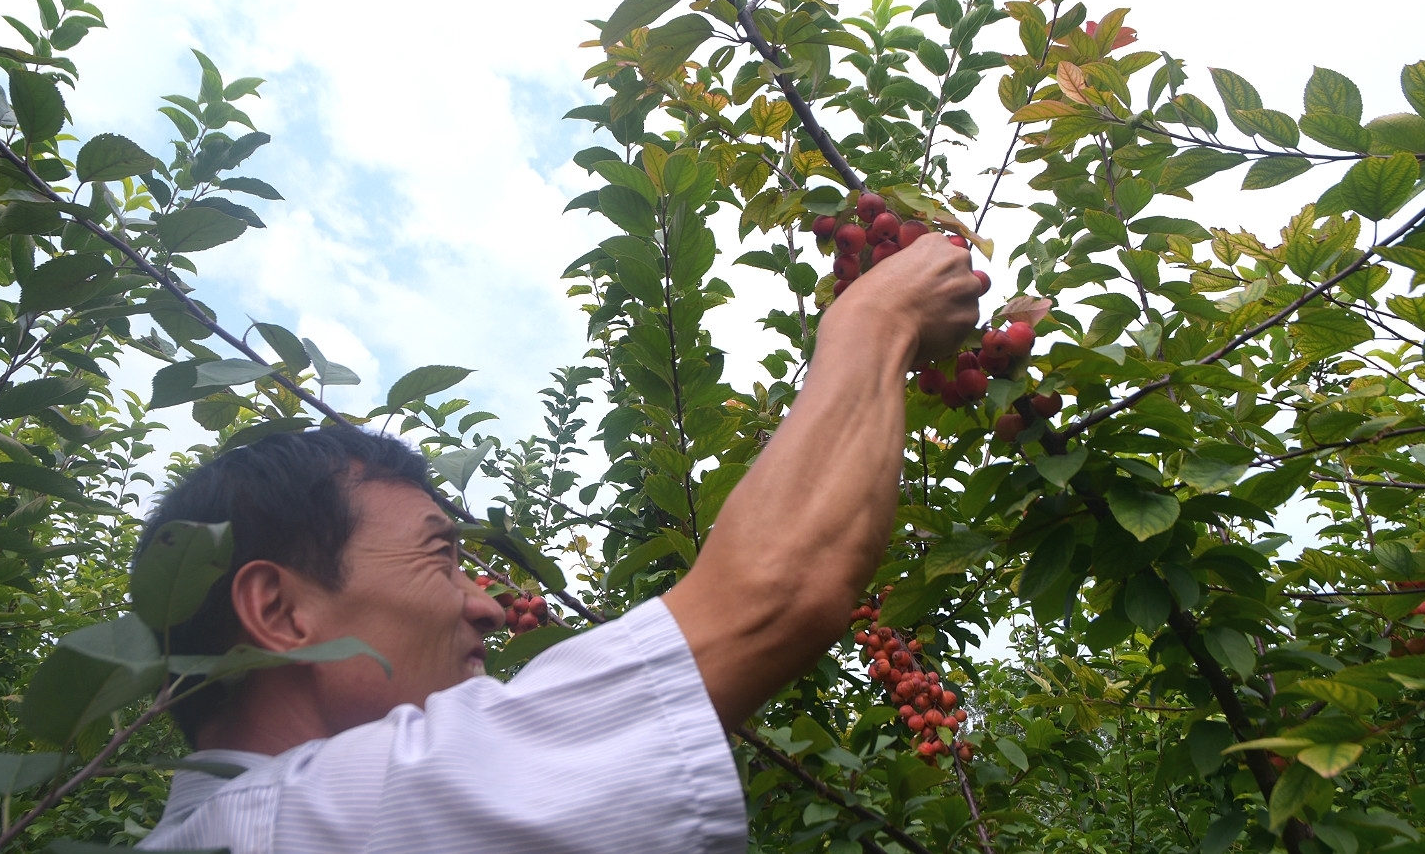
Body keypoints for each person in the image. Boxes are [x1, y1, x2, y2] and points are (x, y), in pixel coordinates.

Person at [137, 232, 983, 853]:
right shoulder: (313, 825)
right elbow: (775, 593)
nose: (488, 605)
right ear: (280, 611)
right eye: (439, 556)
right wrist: (875, 321)